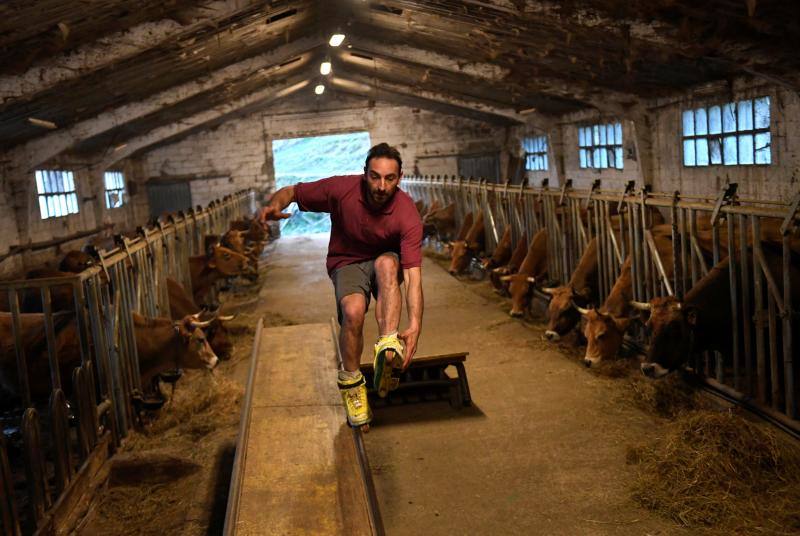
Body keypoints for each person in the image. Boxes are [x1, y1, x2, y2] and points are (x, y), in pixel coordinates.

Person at [259, 143, 424, 427]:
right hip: (346, 260)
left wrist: (415, 324)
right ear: (364, 174)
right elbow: (293, 191)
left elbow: (412, 276)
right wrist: (274, 204)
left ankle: (387, 345)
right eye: (375, 176)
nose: (381, 186)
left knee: (387, 265)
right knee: (353, 312)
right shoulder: (342, 190)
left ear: (400, 178)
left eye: (390, 178)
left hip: (385, 261)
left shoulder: (407, 212)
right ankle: (353, 385)